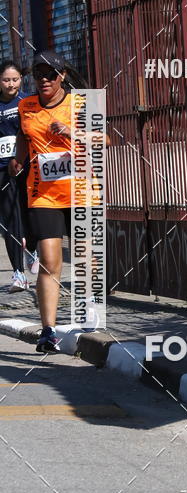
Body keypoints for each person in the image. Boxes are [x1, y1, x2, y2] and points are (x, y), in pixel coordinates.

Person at [9, 51, 90, 353]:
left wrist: (73, 132)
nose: (44, 79)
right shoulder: (26, 106)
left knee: (86, 259)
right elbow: (23, 135)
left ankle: (89, 317)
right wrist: (18, 158)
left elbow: (105, 140)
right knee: (50, 260)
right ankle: (48, 331)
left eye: (50, 74)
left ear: (62, 76)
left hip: (81, 191)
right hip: (43, 194)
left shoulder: (81, 103)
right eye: (38, 74)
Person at [0, 61, 38, 291]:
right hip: (2, 169)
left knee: (29, 214)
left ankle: (31, 248)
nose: (11, 84)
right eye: (6, 80)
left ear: (21, 80)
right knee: (10, 220)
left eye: (15, 79)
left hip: (26, 165)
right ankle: (18, 274)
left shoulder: (27, 101)